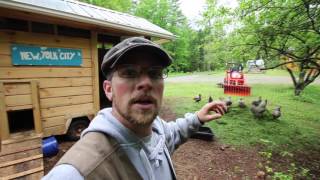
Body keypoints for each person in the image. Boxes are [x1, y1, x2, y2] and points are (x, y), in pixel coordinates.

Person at [43, 37, 227, 180]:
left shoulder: (157, 129)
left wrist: (197, 118)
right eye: (129, 73)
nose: (146, 83)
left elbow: (173, 133)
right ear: (108, 90)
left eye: (155, 73)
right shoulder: (80, 170)